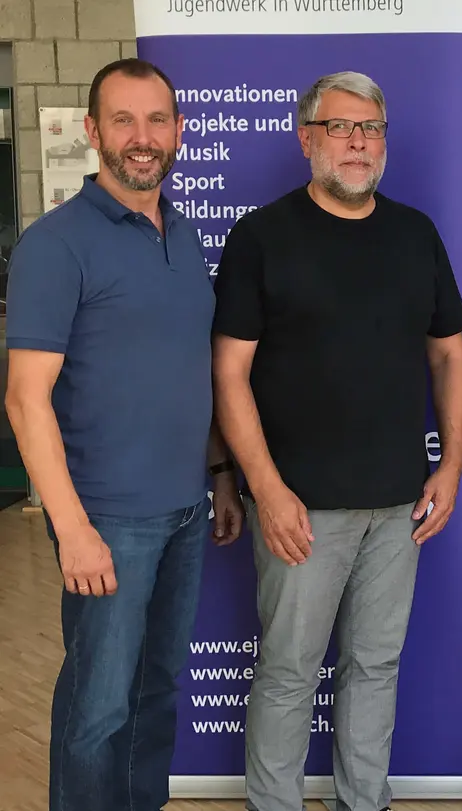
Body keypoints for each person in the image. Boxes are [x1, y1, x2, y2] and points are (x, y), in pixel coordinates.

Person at [210, 71, 462, 811]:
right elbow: (229, 373)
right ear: (306, 139)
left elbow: (450, 354)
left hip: (397, 504)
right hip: (299, 504)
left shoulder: (415, 233)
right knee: (291, 672)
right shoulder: (261, 236)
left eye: (371, 129)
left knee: (373, 665)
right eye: (341, 127)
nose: (358, 143)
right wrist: (265, 488)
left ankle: (366, 801)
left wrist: (451, 463)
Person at [3, 58, 243, 811]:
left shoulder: (185, 232)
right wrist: (71, 528)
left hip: (184, 511)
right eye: (123, 120)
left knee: (154, 693)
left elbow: (189, 371)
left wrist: (220, 475)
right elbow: (24, 398)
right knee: (97, 709)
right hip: (106, 517)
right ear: (92, 130)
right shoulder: (56, 244)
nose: (142, 138)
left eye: (157, 119)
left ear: (178, 131)